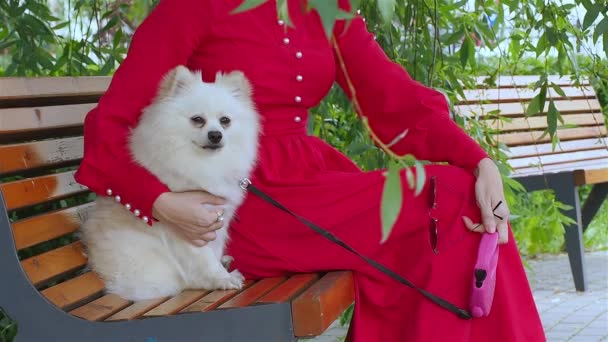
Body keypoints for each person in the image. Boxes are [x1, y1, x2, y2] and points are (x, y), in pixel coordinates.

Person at [74, 0, 546, 340]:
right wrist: (161, 202)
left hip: (309, 179)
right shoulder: (195, 6)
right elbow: (108, 124)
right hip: (243, 202)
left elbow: (394, 100)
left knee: (456, 205)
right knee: (445, 203)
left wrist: (478, 160)